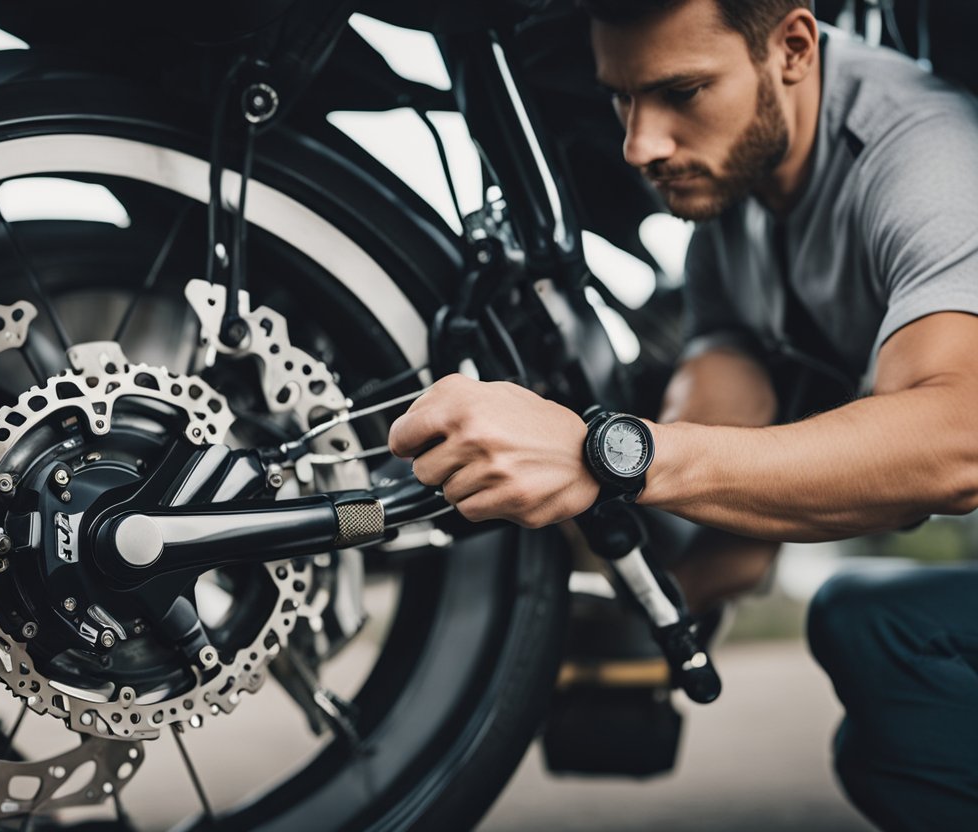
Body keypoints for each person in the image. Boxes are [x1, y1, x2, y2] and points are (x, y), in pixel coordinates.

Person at [387, 0, 978, 828]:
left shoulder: (925, 160)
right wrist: (633, 577)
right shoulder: (730, 212)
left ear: (794, 48)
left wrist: (610, 455)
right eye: (623, 98)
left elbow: (957, 441)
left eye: (682, 91)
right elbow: (729, 463)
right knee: (882, 699)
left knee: (871, 644)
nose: (640, 145)